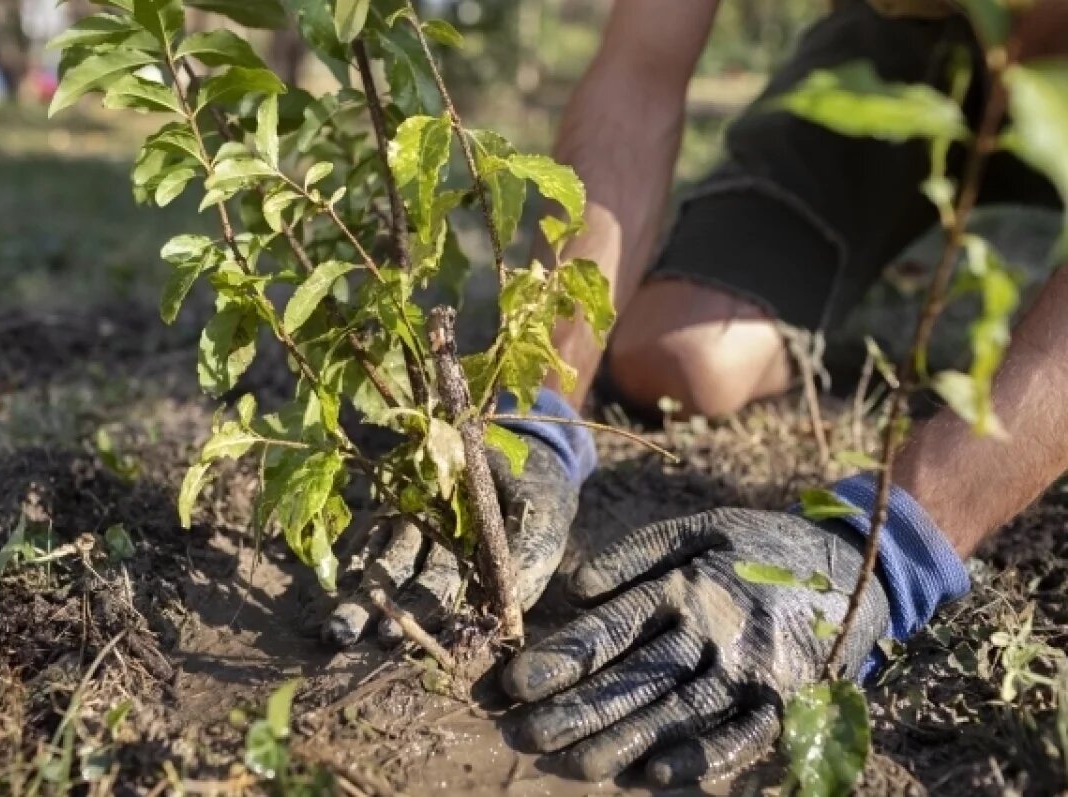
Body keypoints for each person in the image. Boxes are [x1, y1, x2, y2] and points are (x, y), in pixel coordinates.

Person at [317, 0, 1068, 787]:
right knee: (678, 358)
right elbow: (637, 79)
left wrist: (897, 546)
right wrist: (535, 401)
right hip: (901, 60)